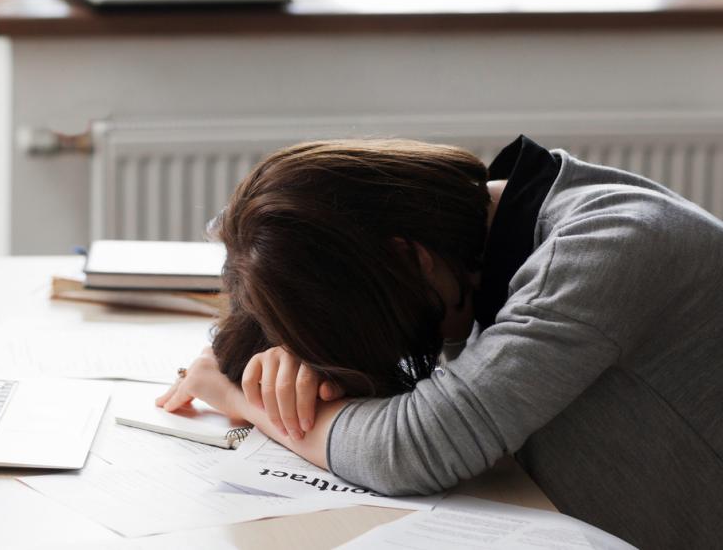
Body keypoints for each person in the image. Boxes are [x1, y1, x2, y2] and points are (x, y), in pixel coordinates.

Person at [155, 135, 723, 548]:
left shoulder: (605, 248)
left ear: (409, 257)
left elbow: (415, 448)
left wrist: (242, 401)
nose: (399, 341)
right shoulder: (484, 245)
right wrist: (287, 361)